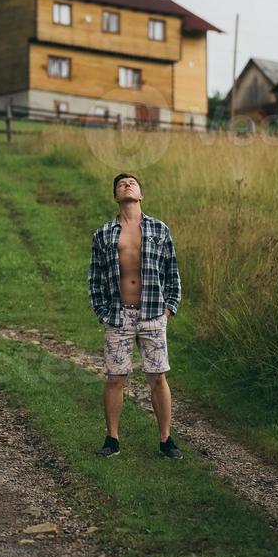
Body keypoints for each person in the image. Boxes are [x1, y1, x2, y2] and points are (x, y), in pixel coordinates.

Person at [88, 172, 183, 459]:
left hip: (153, 313)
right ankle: (112, 439)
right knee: (116, 378)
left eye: (132, 182)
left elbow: (172, 273)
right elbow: (94, 279)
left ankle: (166, 439)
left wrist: (168, 310)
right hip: (118, 315)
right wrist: (103, 313)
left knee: (157, 377)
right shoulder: (103, 233)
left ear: (140, 194)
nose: (126, 185)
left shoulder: (159, 229)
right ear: (116, 196)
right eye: (120, 184)